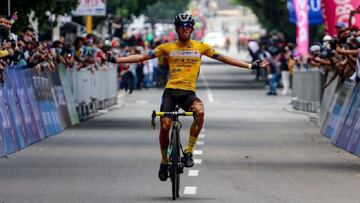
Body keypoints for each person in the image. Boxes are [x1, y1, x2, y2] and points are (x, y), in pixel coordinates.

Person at [99, 12, 268, 181]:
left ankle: (188, 151)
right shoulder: (168, 47)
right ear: (177, 29)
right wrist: (117, 60)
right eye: (182, 27)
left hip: (188, 93)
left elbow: (223, 58)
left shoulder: (200, 47)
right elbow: (142, 56)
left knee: (200, 112)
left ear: (192, 29)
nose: (185, 30)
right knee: (165, 126)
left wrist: (249, 65)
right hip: (171, 92)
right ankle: (165, 161)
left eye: (188, 27)